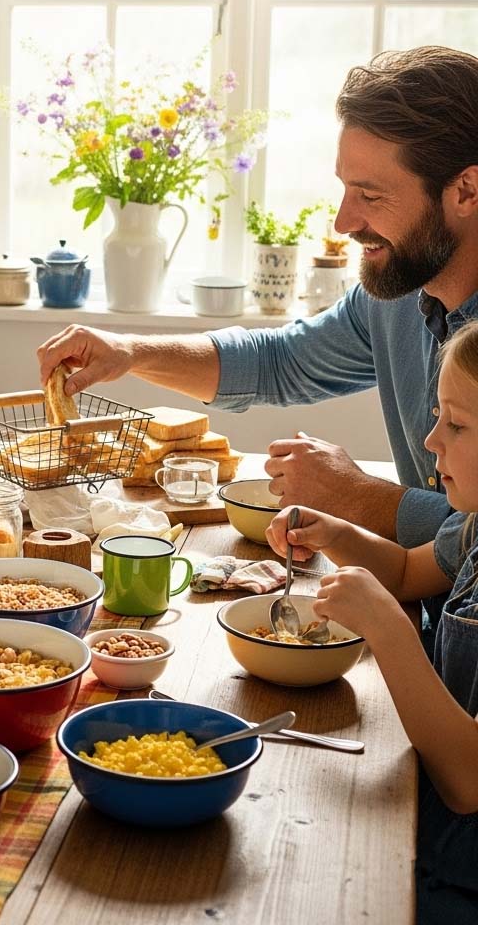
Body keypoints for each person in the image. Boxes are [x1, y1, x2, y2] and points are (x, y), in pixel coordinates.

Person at [37, 45, 478, 552]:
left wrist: (355, 495)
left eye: (371, 196)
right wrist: (131, 353)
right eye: (345, 190)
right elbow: (278, 361)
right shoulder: (398, 294)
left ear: (464, 191)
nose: (343, 222)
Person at [264, 319, 478, 923]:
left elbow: (467, 779)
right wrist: (338, 533)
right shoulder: (474, 525)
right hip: (428, 811)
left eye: (456, 425)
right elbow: (410, 575)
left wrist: (388, 630)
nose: (431, 441)